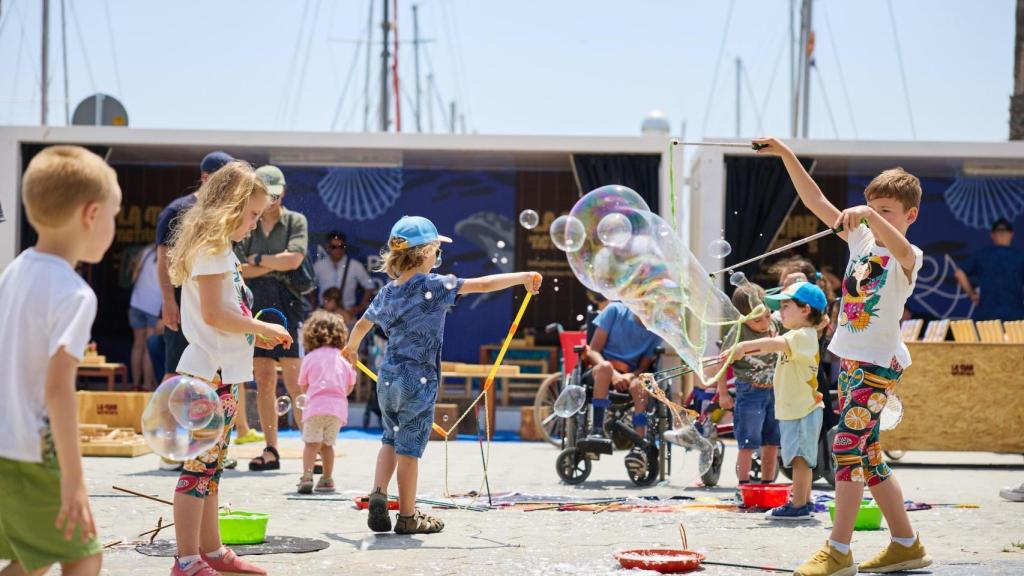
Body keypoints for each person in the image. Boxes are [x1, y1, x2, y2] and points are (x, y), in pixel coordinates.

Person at [756, 136, 931, 576]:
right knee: (868, 455)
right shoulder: (861, 242)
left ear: (910, 216)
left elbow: (901, 249)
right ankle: (906, 544)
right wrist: (786, 154)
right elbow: (814, 200)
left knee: (846, 447)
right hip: (852, 362)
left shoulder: (908, 257)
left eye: (887, 211)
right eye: (872, 207)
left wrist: (870, 214)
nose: (874, 216)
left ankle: (838, 550)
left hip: (878, 364)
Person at [343, 215, 542, 535]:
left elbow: (363, 324)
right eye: (437, 249)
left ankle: (379, 493)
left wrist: (351, 348)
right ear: (424, 253)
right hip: (417, 382)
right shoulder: (434, 286)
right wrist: (522, 277)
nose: (439, 255)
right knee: (409, 451)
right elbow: (483, 284)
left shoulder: (388, 292)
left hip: (388, 378)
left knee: (390, 439)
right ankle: (407, 516)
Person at [166, 161, 292, 576]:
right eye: (252, 213)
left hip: (221, 373)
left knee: (213, 467)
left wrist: (254, 333)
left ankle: (212, 550)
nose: (255, 223)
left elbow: (225, 313)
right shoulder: (213, 249)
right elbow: (216, 314)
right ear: (232, 207)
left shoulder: (220, 249)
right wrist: (263, 328)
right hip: (209, 373)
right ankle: (187, 560)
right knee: (198, 467)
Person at [0, 146, 120, 576]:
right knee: (83, 554)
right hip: (33, 452)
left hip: (4, 446)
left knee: (30, 559)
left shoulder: (13, 272)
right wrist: (74, 478)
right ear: (91, 214)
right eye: (114, 215)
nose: (113, 226)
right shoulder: (75, 293)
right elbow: (57, 389)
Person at [155, 150, 240, 470]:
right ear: (207, 178)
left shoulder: (226, 215)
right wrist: (168, 301)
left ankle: (206, 444)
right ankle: (169, 446)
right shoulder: (178, 210)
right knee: (175, 371)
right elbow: (163, 260)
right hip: (183, 303)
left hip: (211, 308)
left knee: (210, 374)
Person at [723, 282, 827, 520]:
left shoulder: (803, 336)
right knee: (800, 459)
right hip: (796, 409)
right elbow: (770, 347)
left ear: (805, 310)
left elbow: (772, 344)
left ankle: (799, 505)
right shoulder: (797, 334)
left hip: (802, 410)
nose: (780, 312)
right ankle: (804, 501)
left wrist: (743, 346)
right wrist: (740, 351)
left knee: (800, 459)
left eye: (786, 306)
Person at [234, 165, 309, 468]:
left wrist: (259, 261)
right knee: (263, 380)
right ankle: (270, 449)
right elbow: (240, 269)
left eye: (276, 194)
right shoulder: (247, 221)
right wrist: (275, 264)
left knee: (295, 381)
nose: (272, 200)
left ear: (284, 192)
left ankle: (312, 448)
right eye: (267, 194)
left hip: (289, 303)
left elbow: (294, 260)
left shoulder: (295, 220)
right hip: (256, 304)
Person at [580, 300, 663, 476]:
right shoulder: (615, 311)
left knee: (640, 385)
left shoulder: (655, 329)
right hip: (601, 371)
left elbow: (643, 367)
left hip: (630, 376)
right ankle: (597, 431)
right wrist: (613, 374)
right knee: (605, 368)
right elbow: (593, 350)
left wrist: (629, 376)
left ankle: (639, 446)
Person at [716, 283, 780, 493]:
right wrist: (723, 393)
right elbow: (722, 363)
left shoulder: (775, 325)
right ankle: (743, 486)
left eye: (767, 316)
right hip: (750, 392)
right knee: (747, 442)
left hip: (775, 391)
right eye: (757, 320)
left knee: (772, 441)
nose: (764, 323)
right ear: (742, 317)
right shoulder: (738, 332)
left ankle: (768, 485)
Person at [296, 310, 356, 495]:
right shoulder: (343, 359)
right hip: (337, 411)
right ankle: (327, 479)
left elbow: (303, 386)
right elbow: (348, 388)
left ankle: (307, 477)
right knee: (328, 446)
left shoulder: (310, 357)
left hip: (315, 408)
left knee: (311, 444)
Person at [954, 217, 1024, 321]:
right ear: (1011, 234)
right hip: (1014, 315)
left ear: (992, 235)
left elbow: (959, 273)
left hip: (986, 316)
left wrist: (972, 294)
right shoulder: (1020, 257)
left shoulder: (981, 255)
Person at [313, 231, 375, 325]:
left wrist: (360, 307)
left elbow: (369, 286)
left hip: (347, 314)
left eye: (341, 247)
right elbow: (308, 287)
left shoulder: (355, 265)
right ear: (327, 247)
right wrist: (314, 305)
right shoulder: (319, 266)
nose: (338, 250)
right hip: (324, 314)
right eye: (334, 247)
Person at [129, 243, 161, 390]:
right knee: (149, 347)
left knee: (137, 345)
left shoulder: (145, 252)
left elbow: (133, 278)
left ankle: (136, 383)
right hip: (154, 306)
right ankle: (147, 385)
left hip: (137, 303)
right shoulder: (168, 253)